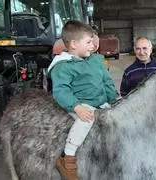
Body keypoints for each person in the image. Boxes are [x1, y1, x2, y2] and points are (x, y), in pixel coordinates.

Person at [48, 20, 117, 179]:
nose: (92, 46)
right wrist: (77, 107)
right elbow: (61, 90)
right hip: (80, 103)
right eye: (88, 42)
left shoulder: (96, 60)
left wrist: (113, 100)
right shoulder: (63, 66)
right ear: (73, 44)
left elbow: (106, 81)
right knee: (87, 120)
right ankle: (68, 156)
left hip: (101, 102)